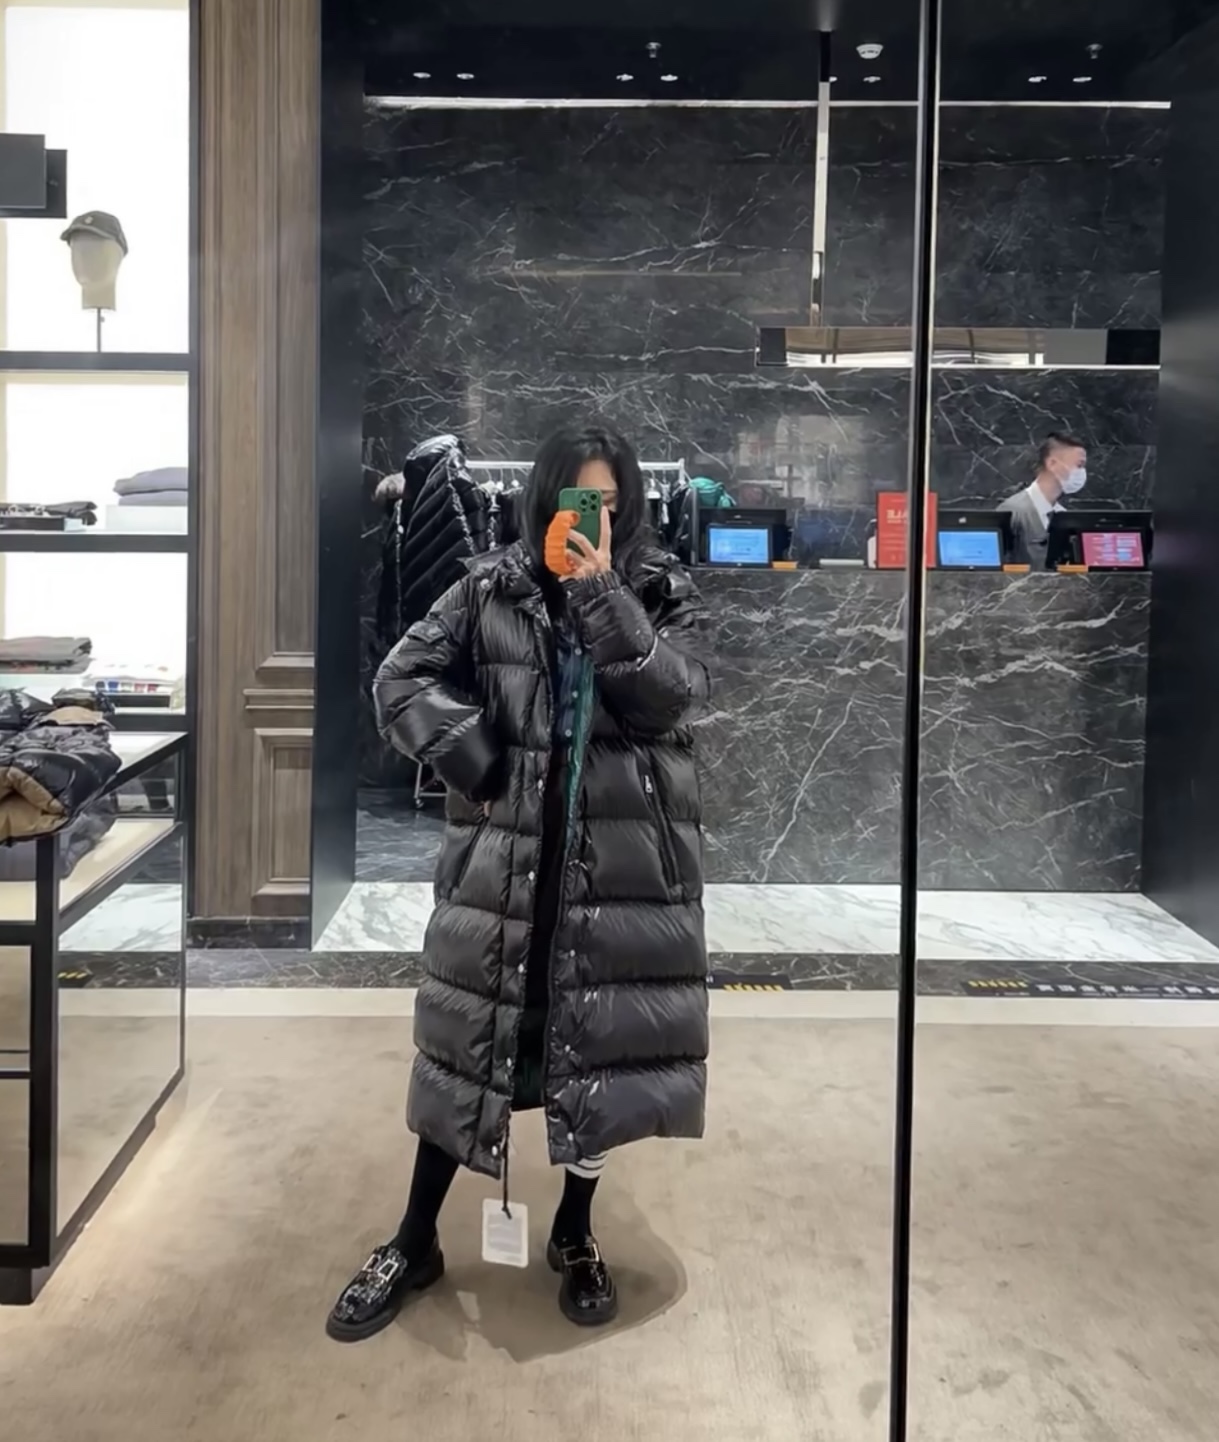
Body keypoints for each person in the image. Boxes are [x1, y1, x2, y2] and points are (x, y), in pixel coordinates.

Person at [326, 423, 712, 1343]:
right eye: (579, 500)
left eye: (609, 502)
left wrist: (603, 593)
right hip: (504, 861)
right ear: (543, 500)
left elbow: (670, 697)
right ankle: (414, 1238)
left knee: (602, 1049)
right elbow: (399, 677)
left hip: (620, 865)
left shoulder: (660, 591)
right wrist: (480, 761)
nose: (594, 516)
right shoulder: (487, 587)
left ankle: (574, 1233)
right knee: (468, 1045)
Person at [997, 432, 1088, 565]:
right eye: (1079, 465)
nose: (1082, 472)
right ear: (1052, 463)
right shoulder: (1013, 511)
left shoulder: (1063, 515)